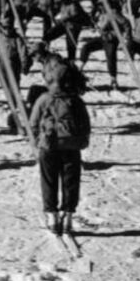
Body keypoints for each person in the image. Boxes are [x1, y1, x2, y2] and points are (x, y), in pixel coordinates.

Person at [28, 59, 91, 236]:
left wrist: (35, 142)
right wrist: (83, 140)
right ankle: (68, 217)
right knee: (71, 181)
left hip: (48, 146)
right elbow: (85, 123)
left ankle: (52, 217)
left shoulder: (43, 99)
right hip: (71, 146)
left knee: (49, 181)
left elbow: (32, 123)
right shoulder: (76, 100)